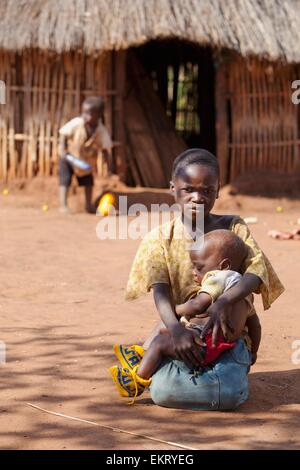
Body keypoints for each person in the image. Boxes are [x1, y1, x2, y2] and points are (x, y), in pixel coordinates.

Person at [115, 148, 284, 410]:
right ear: (173, 188)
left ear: (217, 191)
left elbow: (256, 272)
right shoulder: (159, 238)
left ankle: (220, 378)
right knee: (163, 393)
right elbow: (160, 292)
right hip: (184, 332)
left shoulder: (234, 227)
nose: (198, 197)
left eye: (207, 190)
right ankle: (171, 372)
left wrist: (221, 302)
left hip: (228, 335)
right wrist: (175, 330)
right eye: (189, 189)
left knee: (225, 394)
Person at [109, 230, 262, 402]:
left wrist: (176, 310)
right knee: (164, 333)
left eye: (199, 267)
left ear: (224, 265)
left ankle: (136, 381)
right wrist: (253, 353)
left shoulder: (220, 277)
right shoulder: (246, 295)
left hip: (202, 342)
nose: (193, 272)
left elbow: (198, 305)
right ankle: (140, 356)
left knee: (161, 341)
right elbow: (255, 326)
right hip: (221, 346)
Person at [58, 96, 112, 213]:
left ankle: (88, 205)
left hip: (85, 162)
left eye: (89, 114)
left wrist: (108, 166)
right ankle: (63, 205)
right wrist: (62, 150)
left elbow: (105, 149)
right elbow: (63, 134)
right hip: (69, 158)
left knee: (88, 182)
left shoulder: (101, 131)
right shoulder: (77, 123)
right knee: (65, 180)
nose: (85, 116)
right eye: (84, 112)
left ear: (98, 115)